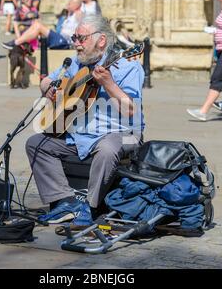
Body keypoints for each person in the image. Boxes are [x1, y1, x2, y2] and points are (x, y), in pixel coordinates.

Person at [26, 14, 144, 227]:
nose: (76, 44)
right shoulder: (76, 63)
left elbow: (131, 111)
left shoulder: (128, 66)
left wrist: (109, 84)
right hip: (81, 135)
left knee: (108, 149)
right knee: (36, 143)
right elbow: (46, 81)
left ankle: (90, 207)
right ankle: (64, 202)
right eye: (75, 37)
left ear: (101, 40)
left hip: (122, 134)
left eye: (81, 38)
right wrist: (49, 89)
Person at [2, 0, 82, 50]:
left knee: (38, 25)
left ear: (76, 5)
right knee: (36, 24)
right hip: (60, 38)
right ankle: (18, 42)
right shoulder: (70, 15)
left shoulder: (78, 13)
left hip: (65, 41)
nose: (68, 5)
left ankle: (16, 43)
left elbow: (82, 21)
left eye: (70, 3)